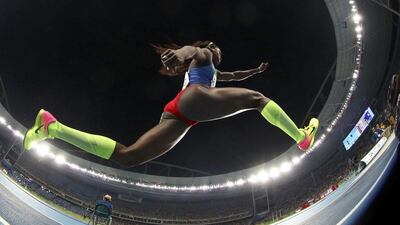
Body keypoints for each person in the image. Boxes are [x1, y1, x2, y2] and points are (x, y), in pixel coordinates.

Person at [23, 41, 319, 167]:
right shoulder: (202, 56)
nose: (216, 51)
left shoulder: (215, 72)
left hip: (178, 114)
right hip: (193, 99)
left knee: (129, 156)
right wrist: (180, 53)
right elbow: (192, 50)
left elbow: (233, 74)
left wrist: (254, 71)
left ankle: (53, 128)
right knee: (257, 100)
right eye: (215, 48)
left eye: (218, 50)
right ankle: (300, 137)